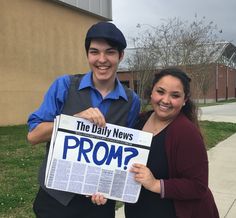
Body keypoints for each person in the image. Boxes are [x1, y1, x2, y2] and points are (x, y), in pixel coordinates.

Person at [27, 21, 140, 218]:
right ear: (87, 55)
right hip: (56, 198)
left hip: (98, 202)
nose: (101, 59)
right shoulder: (64, 85)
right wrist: (73, 121)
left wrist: (110, 188)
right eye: (94, 52)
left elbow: (124, 155)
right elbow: (33, 136)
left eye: (110, 52)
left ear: (121, 56)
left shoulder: (131, 101)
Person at [125, 68, 219, 218]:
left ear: (184, 100)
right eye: (160, 92)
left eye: (175, 95)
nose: (165, 100)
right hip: (138, 208)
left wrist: (156, 184)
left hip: (171, 212)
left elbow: (198, 186)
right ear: (151, 92)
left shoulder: (187, 133)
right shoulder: (139, 121)